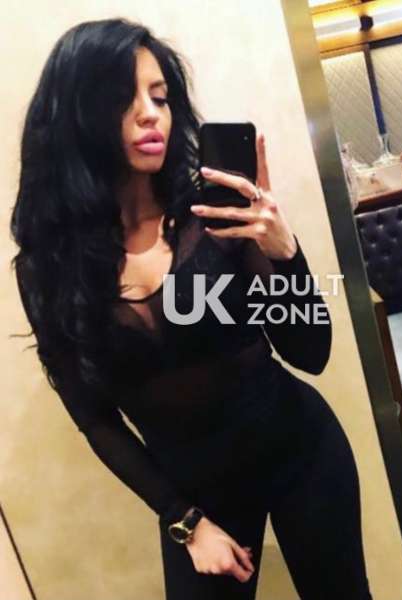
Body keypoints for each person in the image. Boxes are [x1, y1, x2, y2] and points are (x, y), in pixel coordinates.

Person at [10, 17, 373, 600]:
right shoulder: (49, 270)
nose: (150, 114)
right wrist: (184, 521)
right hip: (198, 496)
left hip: (302, 453)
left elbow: (311, 352)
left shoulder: (214, 218)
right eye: (124, 97)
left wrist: (285, 254)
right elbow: (96, 418)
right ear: (75, 114)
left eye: (159, 97)